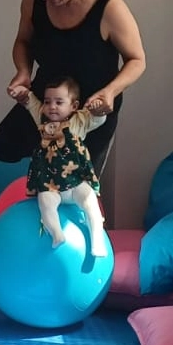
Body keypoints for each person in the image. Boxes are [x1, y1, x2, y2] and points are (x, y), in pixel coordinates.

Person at [0, 0, 148, 182]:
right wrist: (23, 71)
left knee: (76, 181)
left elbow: (137, 60)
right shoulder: (33, 0)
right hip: (48, 98)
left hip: (90, 109)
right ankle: (41, 183)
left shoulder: (109, 7)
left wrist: (111, 92)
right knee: (1, 146)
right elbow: (23, 41)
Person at [10, 75, 108, 255]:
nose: (52, 106)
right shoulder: (43, 119)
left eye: (59, 102)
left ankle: (97, 240)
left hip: (76, 182)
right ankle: (57, 234)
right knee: (44, 202)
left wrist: (98, 109)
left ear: (74, 106)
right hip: (51, 184)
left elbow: (98, 119)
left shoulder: (79, 120)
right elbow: (31, 103)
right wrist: (22, 93)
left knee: (91, 203)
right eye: (48, 102)